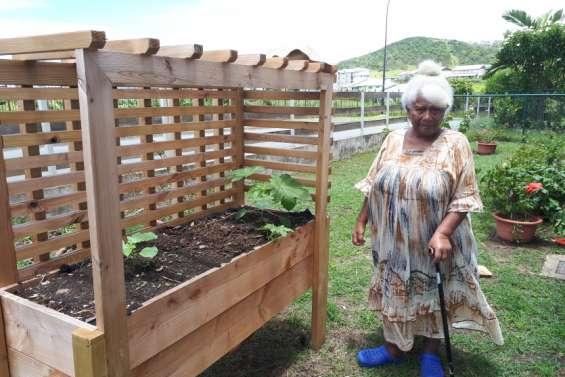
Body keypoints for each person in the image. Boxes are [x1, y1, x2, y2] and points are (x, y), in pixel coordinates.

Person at [352, 60, 503, 377]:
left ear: (445, 111)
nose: (427, 116)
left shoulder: (455, 144)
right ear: (408, 108)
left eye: (436, 110)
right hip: (394, 239)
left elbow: (465, 196)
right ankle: (394, 347)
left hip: (439, 239)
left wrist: (444, 233)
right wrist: (361, 220)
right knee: (395, 287)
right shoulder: (393, 139)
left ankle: (430, 354)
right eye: (420, 109)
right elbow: (374, 183)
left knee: (438, 290)